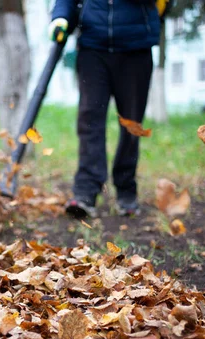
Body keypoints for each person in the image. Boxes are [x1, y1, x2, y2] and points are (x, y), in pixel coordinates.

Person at [49, 0, 169, 219]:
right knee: (89, 120)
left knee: (131, 124)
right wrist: (60, 17)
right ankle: (86, 191)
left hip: (136, 47)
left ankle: (126, 191)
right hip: (93, 47)